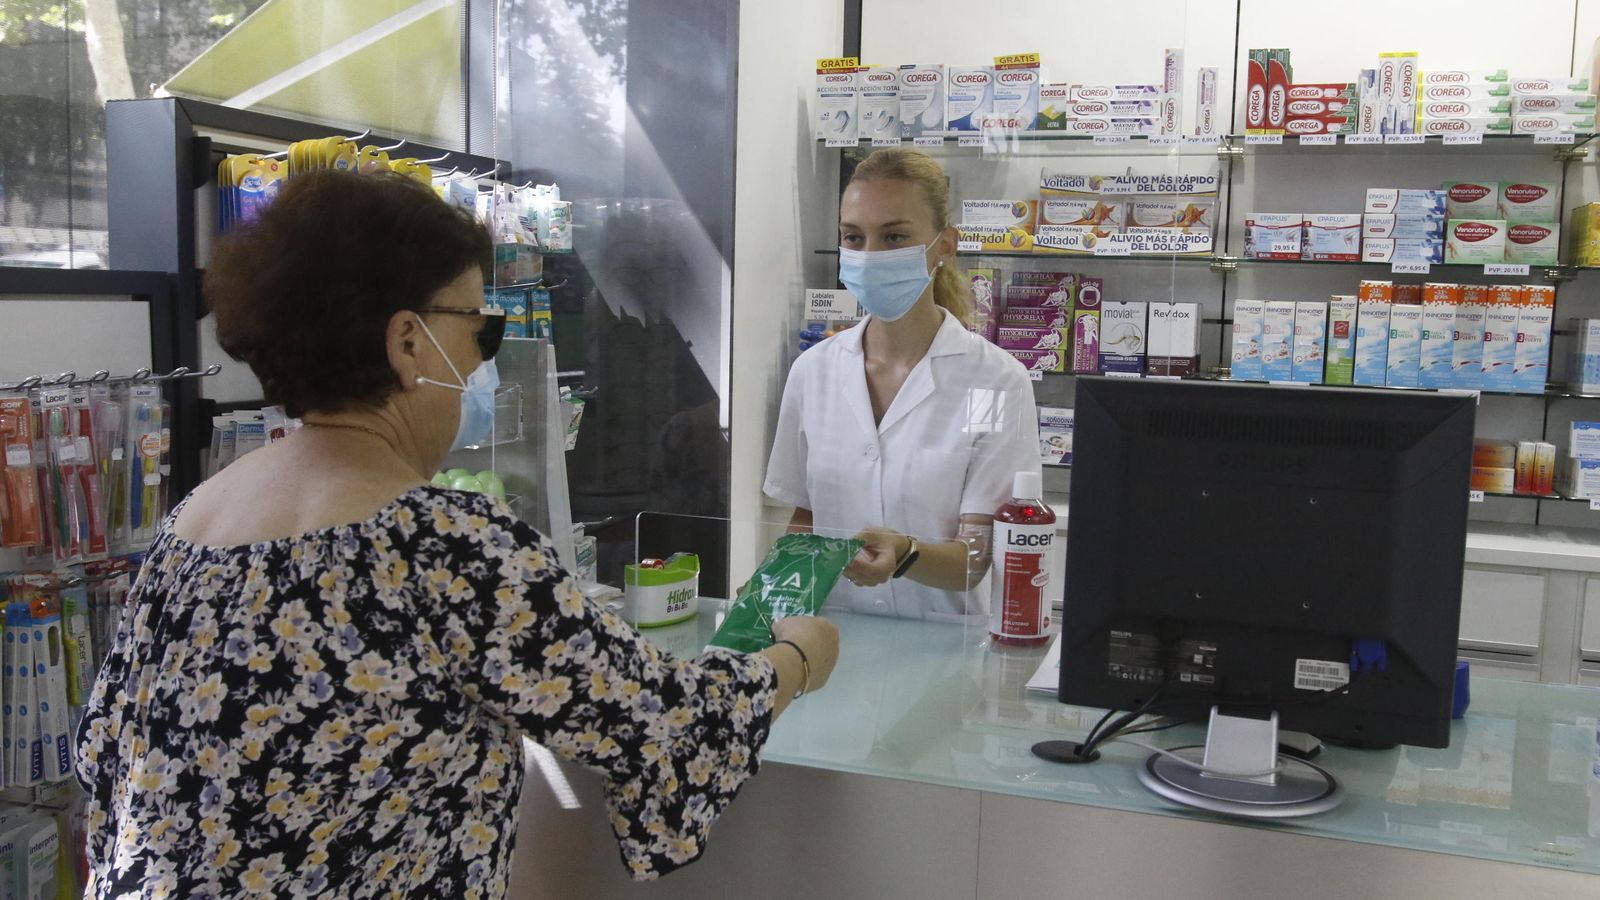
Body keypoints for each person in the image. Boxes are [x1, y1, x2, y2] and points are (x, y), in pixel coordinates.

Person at [73, 170, 839, 897]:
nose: (481, 362)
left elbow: (106, 760)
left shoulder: (195, 524)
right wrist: (796, 658)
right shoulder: (444, 547)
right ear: (408, 343)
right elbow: (666, 727)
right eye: (480, 328)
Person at [763, 149, 1041, 622]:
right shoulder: (813, 371)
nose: (870, 256)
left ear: (945, 244)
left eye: (894, 236)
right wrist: (769, 593)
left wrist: (907, 554)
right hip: (831, 637)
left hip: (940, 647)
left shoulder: (994, 382)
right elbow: (805, 521)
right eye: (854, 237)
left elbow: (976, 560)